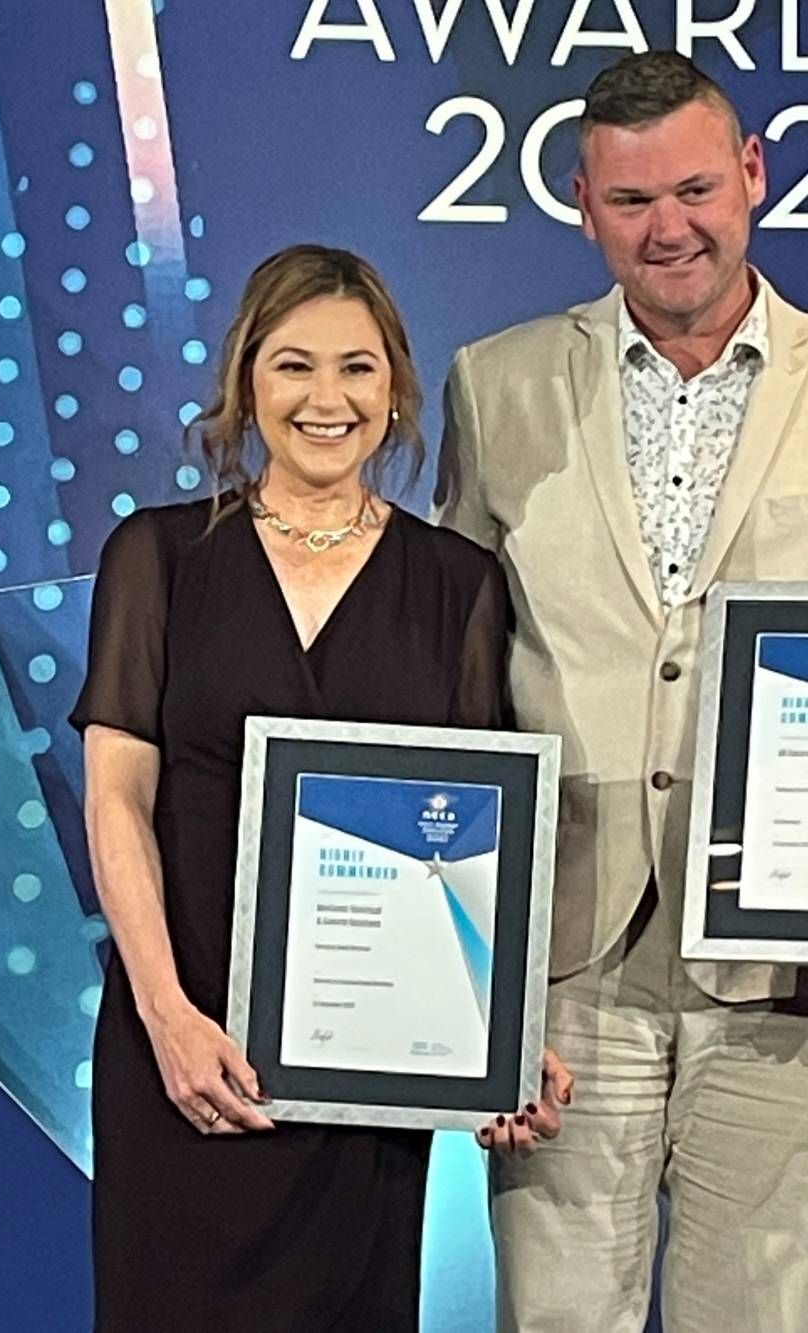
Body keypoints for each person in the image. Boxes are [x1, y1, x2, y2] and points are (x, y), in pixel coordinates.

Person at [71, 244, 562, 1331]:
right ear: (247, 382)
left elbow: (475, 838)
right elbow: (115, 798)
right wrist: (166, 1015)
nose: (325, 399)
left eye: (357, 368)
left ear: (395, 391)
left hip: (361, 1075)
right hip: (182, 1048)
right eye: (293, 367)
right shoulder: (158, 558)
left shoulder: (458, 585)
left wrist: (499, 1042)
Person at [439, 51, 808, 1332]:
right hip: (560, 968)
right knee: (555, 1319)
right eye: (631, 200)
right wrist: (468, 984)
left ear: (754, 175)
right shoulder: (497, 383)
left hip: (781, 973)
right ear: (586, 208)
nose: (670, 228)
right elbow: (455, 686)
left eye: (696, 188)